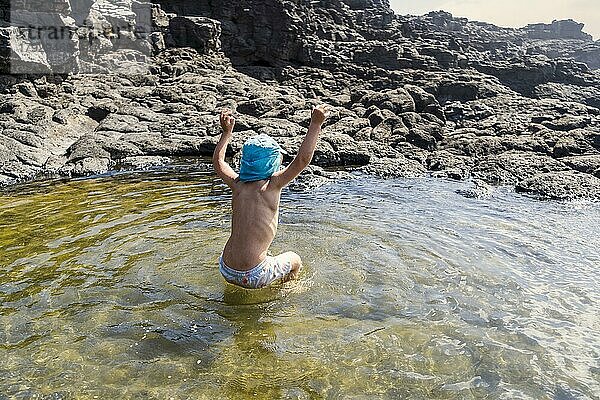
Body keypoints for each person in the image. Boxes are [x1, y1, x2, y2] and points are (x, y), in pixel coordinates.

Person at [212, 104, 330, 289]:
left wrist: (226, 133)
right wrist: (315, 124)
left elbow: (218, 162)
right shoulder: (272, 185)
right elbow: (302, 160)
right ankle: (286, 293)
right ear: (272, 163)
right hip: (253, 275)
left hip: (226, 268)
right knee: (295, 260)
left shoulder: (237, 184)